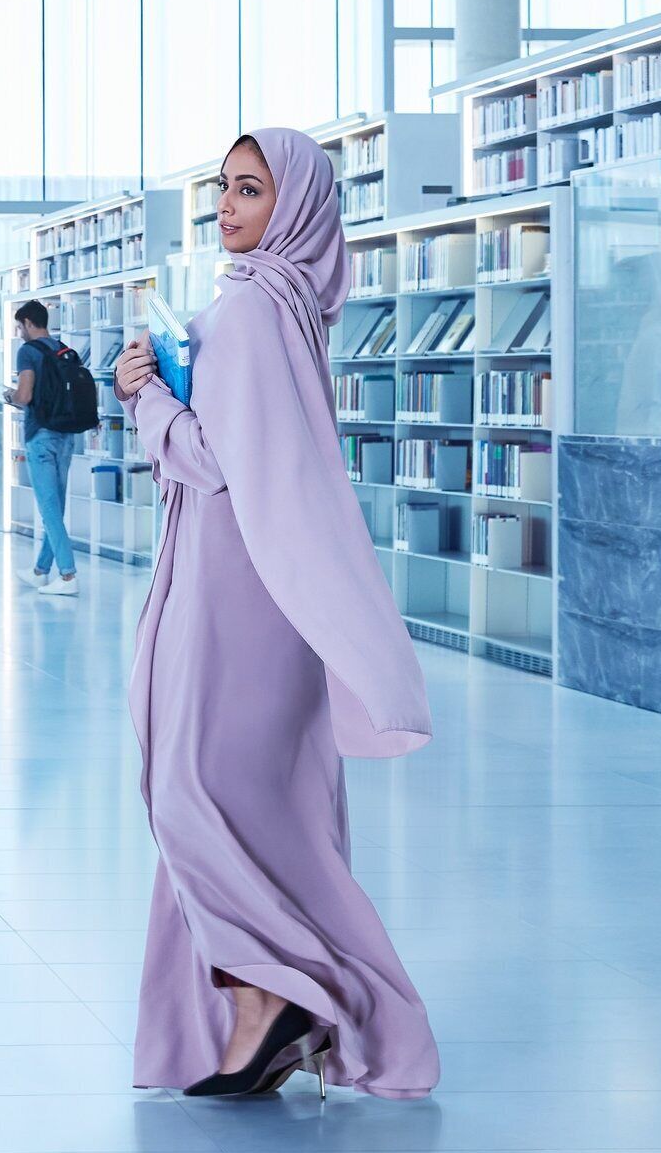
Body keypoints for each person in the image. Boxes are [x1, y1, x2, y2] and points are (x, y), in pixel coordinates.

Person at [112, 128, 436, 1100]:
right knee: (260, 803)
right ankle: (262, 1009)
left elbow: (215, 465)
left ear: (292, 207)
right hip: (270, 589)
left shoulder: (247, 312)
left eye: (250, 191)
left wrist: (145, 403)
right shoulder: (292, 309)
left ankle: (279, 997)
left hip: (232, 590)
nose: (229, 207)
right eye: (224, 188)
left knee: (189, 787)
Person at [9, 301, 84, 594]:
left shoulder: (28, 352)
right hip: (67, 434)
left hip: (40, 435)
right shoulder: (63, 349)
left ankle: (68, 576)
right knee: (56, 507)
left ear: (28, 322)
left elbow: (24, 395)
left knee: (49, 508)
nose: (19, 333)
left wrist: (11, 396)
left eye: (19, 327)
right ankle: (41, 570)